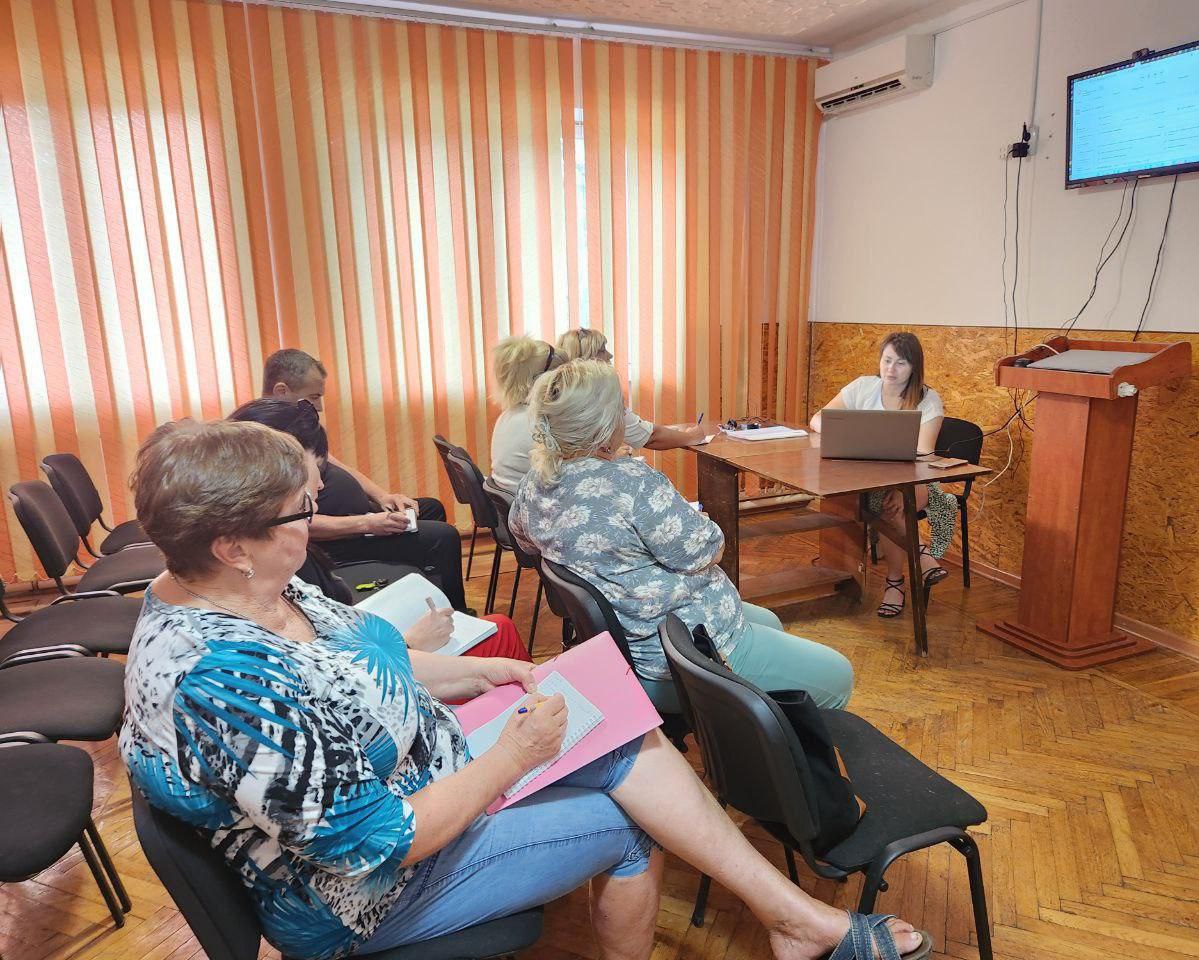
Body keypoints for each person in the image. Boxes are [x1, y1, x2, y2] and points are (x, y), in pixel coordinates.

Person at [120, 419, 928, 960]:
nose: (314, 521)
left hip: (421, 774)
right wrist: (513, 756)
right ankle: (802, 924)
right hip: (361, 894)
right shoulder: (222, 680)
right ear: (232, 544)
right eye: (301, 512)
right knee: (629, 826)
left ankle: (794, 922)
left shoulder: (249, 585)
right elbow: (375, 844)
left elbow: (359, 665)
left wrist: (482, 672)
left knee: (622, 727)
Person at [509, 359, 854, 715]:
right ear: (603, 422)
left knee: (769, 621)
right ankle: (772, 753)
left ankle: (753, 725)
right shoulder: (632, 482)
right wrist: (693, 519)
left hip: (630, 640)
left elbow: (524, 539)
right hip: (682, 653)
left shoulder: (536, 483)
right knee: (839, 675)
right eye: (621, 409)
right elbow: (708, 549)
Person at [228, 398, 530, 665]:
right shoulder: (253, 616)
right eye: (303, 505)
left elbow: (332, 641)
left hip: (371, 646)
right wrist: (408, 643)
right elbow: (340, 683)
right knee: (499, 631)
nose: (320, 485)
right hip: (389, 667)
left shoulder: (281, 574)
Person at [262, 349, 468, 611]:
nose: (320, 406)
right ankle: (455, 614)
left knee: (429, 507)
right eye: (314, 397)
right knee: (443, 537)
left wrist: (383, 496)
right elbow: (293, 521)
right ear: (281, 391)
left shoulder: (296, 424)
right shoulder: (267, 441)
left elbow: (340, 466)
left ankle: (429, 597)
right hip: (338, 541)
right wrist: (366, 522)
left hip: (357, 518)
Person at [809, 332, 957, 618]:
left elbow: (924, 449)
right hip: (867, 479)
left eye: (900, 364)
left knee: (897, 503)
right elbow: (817, 419)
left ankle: (895, 583)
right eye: (886, 361)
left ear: (914, 367)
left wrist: (875, 452)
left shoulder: (927, 398)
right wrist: (847, 434)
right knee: (892, 506)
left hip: (915, 476)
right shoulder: (863, 387)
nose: (891, 370)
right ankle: (922, 557)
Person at [558, 328, 710, 453]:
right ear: (589, 358)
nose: (610, 355)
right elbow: (649, 437)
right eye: (603, 350)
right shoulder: (601, 393)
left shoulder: (554, 390)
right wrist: (691, 436)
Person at [488, 336, 568, 492]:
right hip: (532, 505)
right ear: (544, 381)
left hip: (513, 499)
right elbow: (570, 471)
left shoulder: (509, 415)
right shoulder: (539, 424)